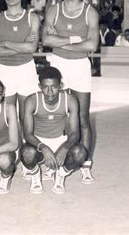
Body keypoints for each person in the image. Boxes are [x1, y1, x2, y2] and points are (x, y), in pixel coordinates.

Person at [43, 0, 98, 185]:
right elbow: (46, 40)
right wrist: (76, 38)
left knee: (83, 117)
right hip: (59, 65)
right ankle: (59, 163)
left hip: (80, 66)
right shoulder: (53, 11)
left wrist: (61, 40)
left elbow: (92, 44)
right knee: (61, 117)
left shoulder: (89, 12)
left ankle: (86, 164)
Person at [20, 66, 87, 194]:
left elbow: (75, 133)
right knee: (26, 153)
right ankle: (35, 175)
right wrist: (43, 147)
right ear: (40, 86)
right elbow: (27, 134)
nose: (50, 91)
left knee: (81, 153)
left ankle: (60, 174)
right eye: (46, 87)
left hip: (59, 140)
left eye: (54, 86)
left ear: (61, 85)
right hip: (37, 141)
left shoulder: (70, 100)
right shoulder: (32, 100)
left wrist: (65, 147)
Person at [0, 0, 40, 124]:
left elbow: (32, 48)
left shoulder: (33, 18)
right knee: (6, 116)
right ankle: (10, 147)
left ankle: (26, 147)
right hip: (4, 69)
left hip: (26, 69)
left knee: (26, 116)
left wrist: (5, 43)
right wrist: (22, 46)